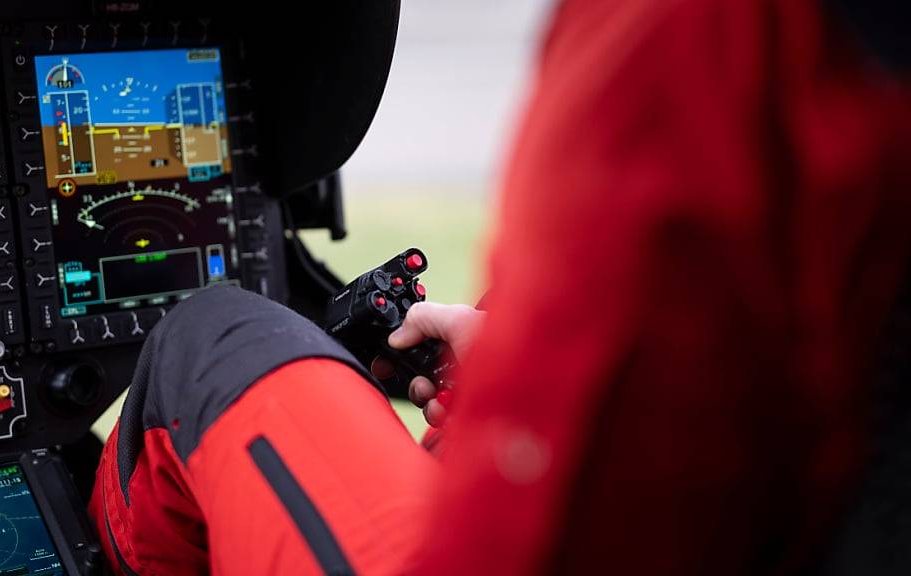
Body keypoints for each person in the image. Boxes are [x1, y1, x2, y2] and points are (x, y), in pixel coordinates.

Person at [91, 0, 911, 574]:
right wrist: (509, 378)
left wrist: (520, 424)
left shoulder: (704, 32)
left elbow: (571, 515)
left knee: (219, 335)